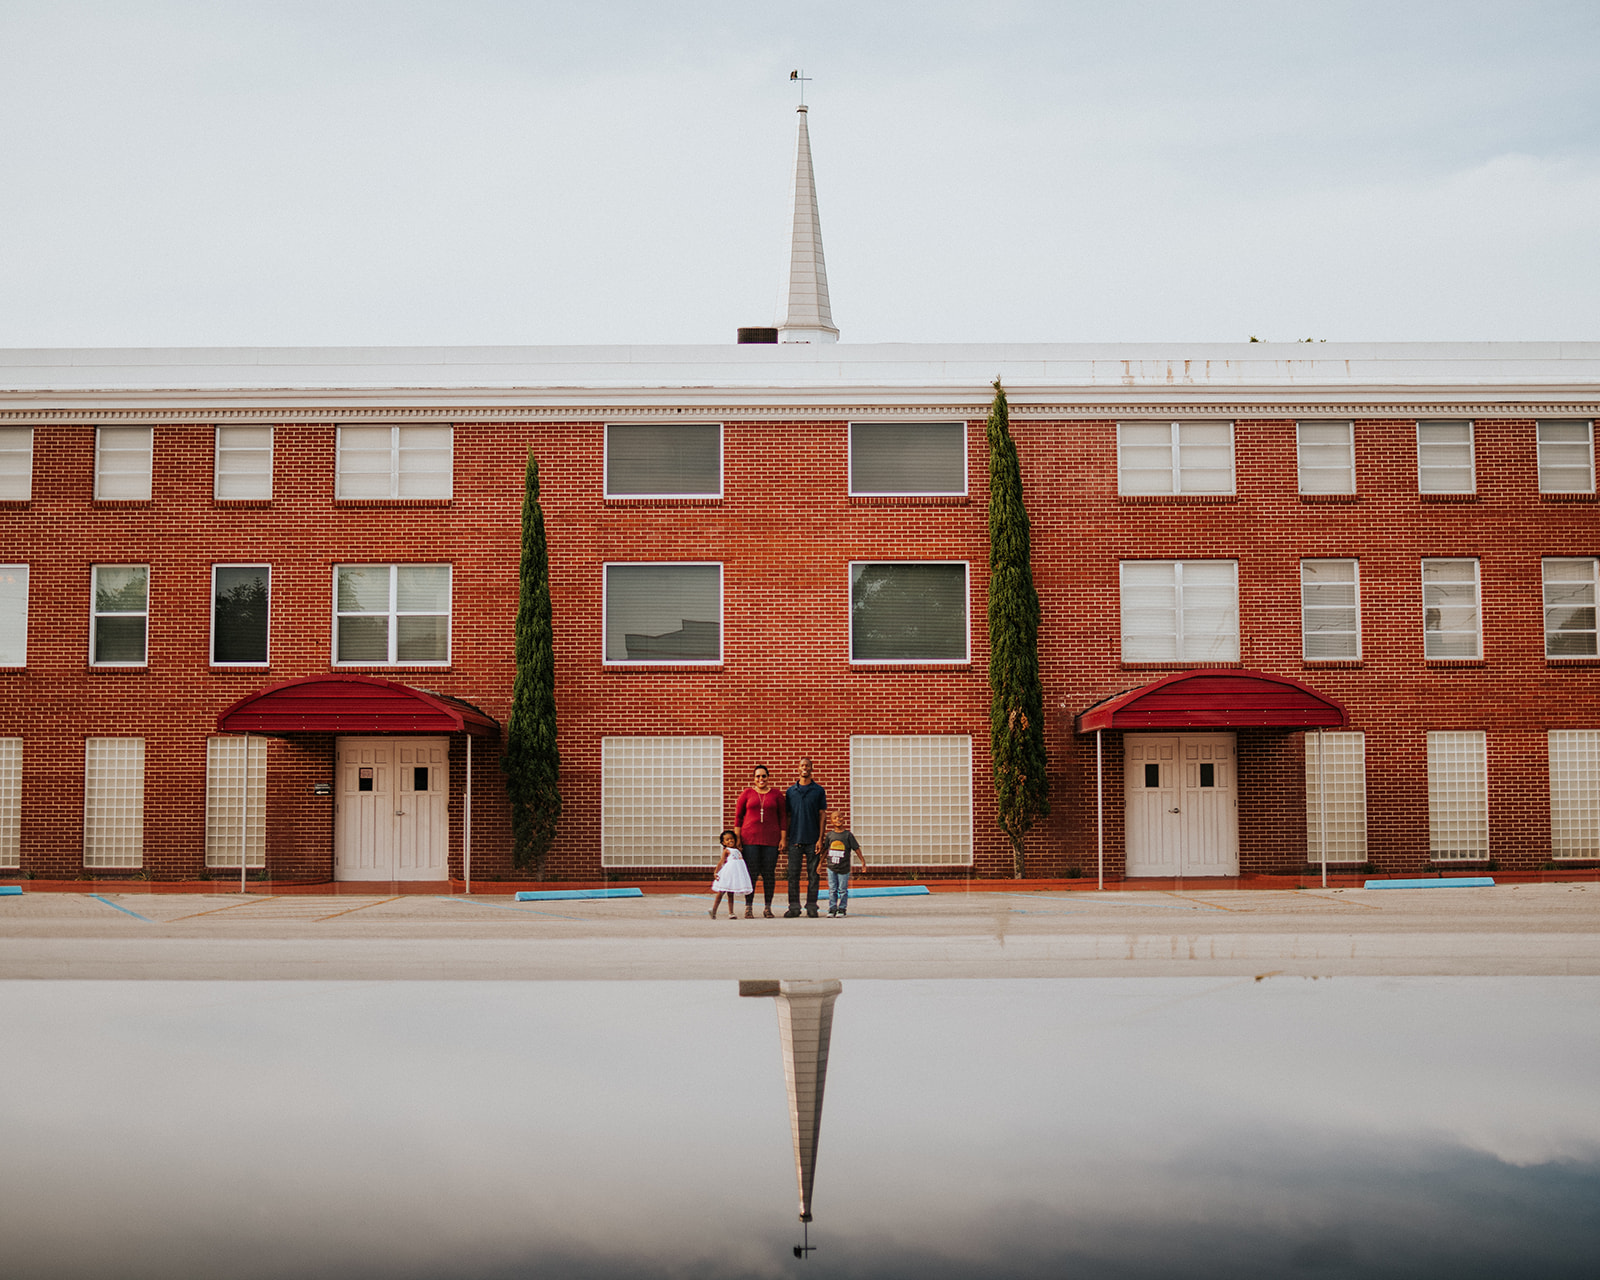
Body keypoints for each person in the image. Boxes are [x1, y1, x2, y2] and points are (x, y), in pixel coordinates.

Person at [735, 764, 786, 918]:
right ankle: (748, 907)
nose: (761, 779)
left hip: (771, 841)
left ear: (768, 777)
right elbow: (738, 817)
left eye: (764, 776)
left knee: (769, 874)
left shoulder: (776, 795)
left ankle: (767, 907)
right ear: (754, 778)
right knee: (751, 874)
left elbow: (783, 818)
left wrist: (783, 838)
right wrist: (737, 839)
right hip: (750, 840)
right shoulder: (747, 793)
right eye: (758, 776)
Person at [783, 758, 828, 918]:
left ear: (811, 769)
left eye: (807, 766)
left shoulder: (818, 790)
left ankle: (811, 906)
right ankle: (794, 907)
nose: (805, 768)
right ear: (798, 768)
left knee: (813, 875)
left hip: (812, 839)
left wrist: (820, 839)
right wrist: (786, 838)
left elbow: (822, 815)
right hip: (795, 839)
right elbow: (787, 816)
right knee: (793, 875)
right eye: (802, 765)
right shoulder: (790, 792)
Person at [820, 810, 866, 917]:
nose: (838, 819)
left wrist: (862, 861)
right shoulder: (830, 835)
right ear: (831, 821)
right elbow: (825, 851)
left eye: (840, 817)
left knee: (843, 890)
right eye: (835, 818)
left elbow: (856, 849)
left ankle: (842, 908)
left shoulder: (848, 835)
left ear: (843, 819)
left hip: (844, 868)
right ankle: (832, 908)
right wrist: (820, 864)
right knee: (832, 889)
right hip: (831, 867)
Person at [709, 829, 752, 919]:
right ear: (723, 843)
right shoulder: (727, 851)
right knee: (721, 892)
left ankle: (731, 912)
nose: (730, 841)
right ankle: (714, 910)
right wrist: (716, 871)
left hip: (735, 874)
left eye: (732, 839)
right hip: (728, 874)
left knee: (730, 893)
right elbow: (721, 861)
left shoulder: (737, 850)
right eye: (727, 840)